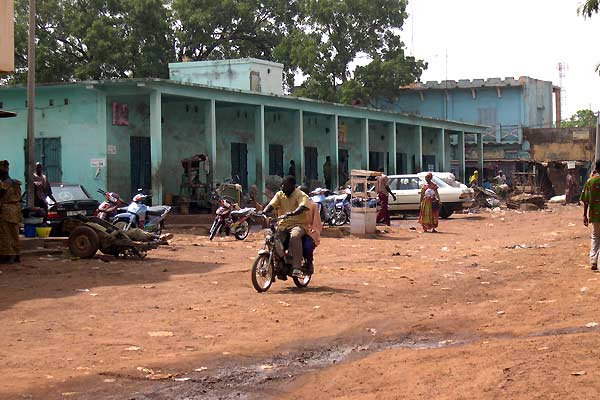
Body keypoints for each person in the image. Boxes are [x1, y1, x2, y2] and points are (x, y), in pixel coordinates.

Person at [262, 175, 309, 277]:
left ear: (292, 186)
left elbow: (303, 206)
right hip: (282, 225)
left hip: (298, 225)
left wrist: (293, 213)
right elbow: (271, 205)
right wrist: (264, 212)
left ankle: (296, 267)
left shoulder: (300, 195)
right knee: (270, 237)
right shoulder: (280, 194)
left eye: (285, 186)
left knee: (295, 236)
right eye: (282, 185)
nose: (283, 187)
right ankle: (277, 262)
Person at [0, 160, 22, 264]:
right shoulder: (15, 183)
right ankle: (17, 255)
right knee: (15, 233)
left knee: (5, 234)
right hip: (16, 210)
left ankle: (7, 256)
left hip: (5, 211)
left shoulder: (3, 184)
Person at [580, 160, 600, 271]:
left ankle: (593, 261)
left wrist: (584, 215)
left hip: (595, 215)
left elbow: (585, 200)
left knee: (596, 236)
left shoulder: (590, 181)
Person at [300, 186, 323, 274]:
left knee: (307, 246)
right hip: (293, 229)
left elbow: (317, 224)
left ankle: (309, 263)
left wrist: (313, 234)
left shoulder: (313, 205)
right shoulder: (293, 205)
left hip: (308, 231)